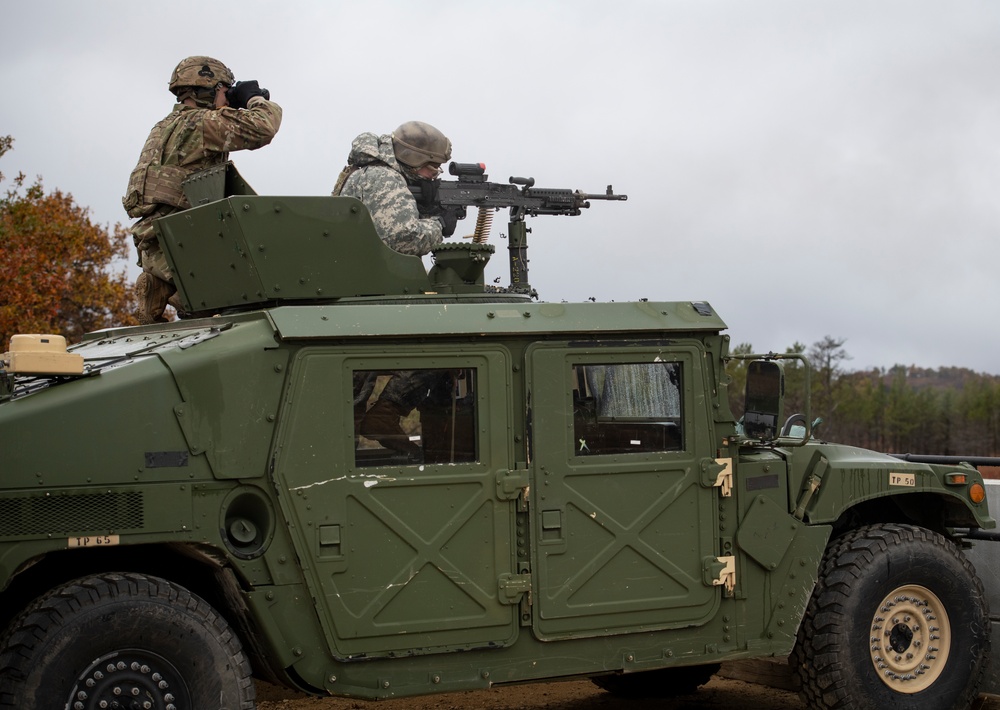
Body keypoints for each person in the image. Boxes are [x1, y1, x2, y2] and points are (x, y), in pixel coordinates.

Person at [123, 56, 282, 324]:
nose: (226, 98)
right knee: (241, 304)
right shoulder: (203, 123)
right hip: (186, 242)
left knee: (196, 302)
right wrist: (254, 98)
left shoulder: (162, 128)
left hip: (154, 240)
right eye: (224, 91)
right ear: (209, 91)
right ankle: (180, 293)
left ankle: (159, 286)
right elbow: (264, 127)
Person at [332, 121, 462, 256]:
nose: (433, 176)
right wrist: (439, 224)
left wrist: (423, 212)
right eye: (433, 168)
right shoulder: (384, 177)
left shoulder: (376, 173)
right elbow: (403, 240)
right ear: (415, 160)